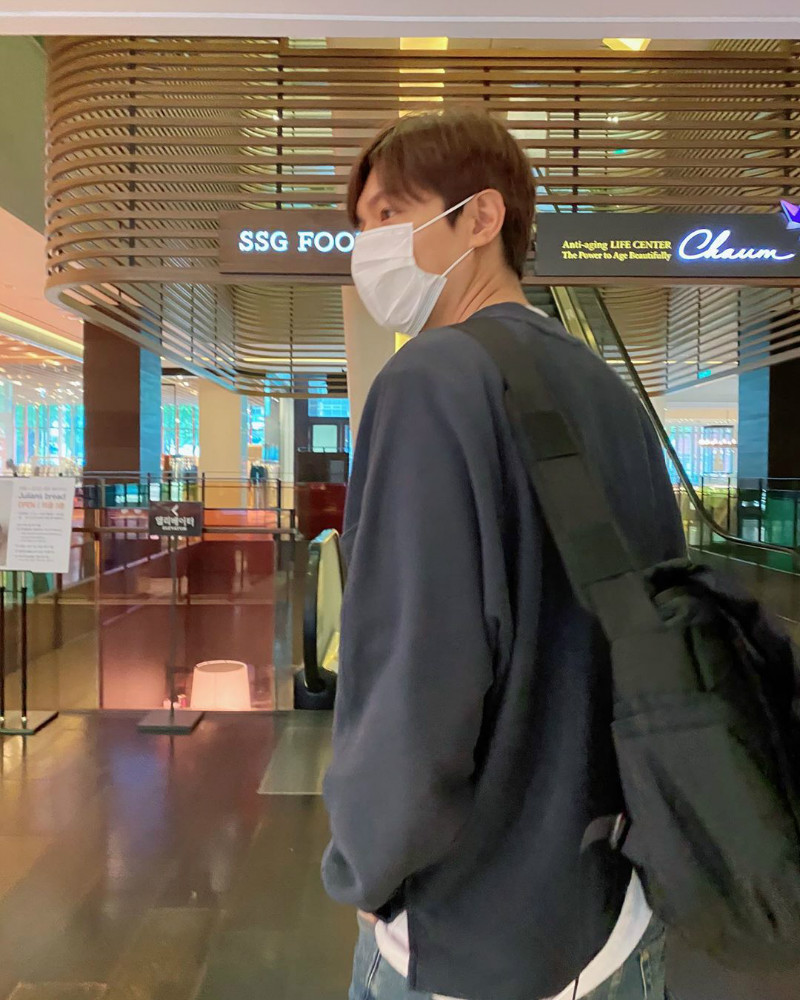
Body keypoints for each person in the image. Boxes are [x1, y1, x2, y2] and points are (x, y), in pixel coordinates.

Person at [322, 108, 685, 1000]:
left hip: (471, 927)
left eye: (389, 215)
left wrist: (367, 867)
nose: (368, 247)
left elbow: (413, 669)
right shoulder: (611, 395)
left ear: (481, 218)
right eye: (361, 225)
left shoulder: (430, 381)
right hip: (612, 908)